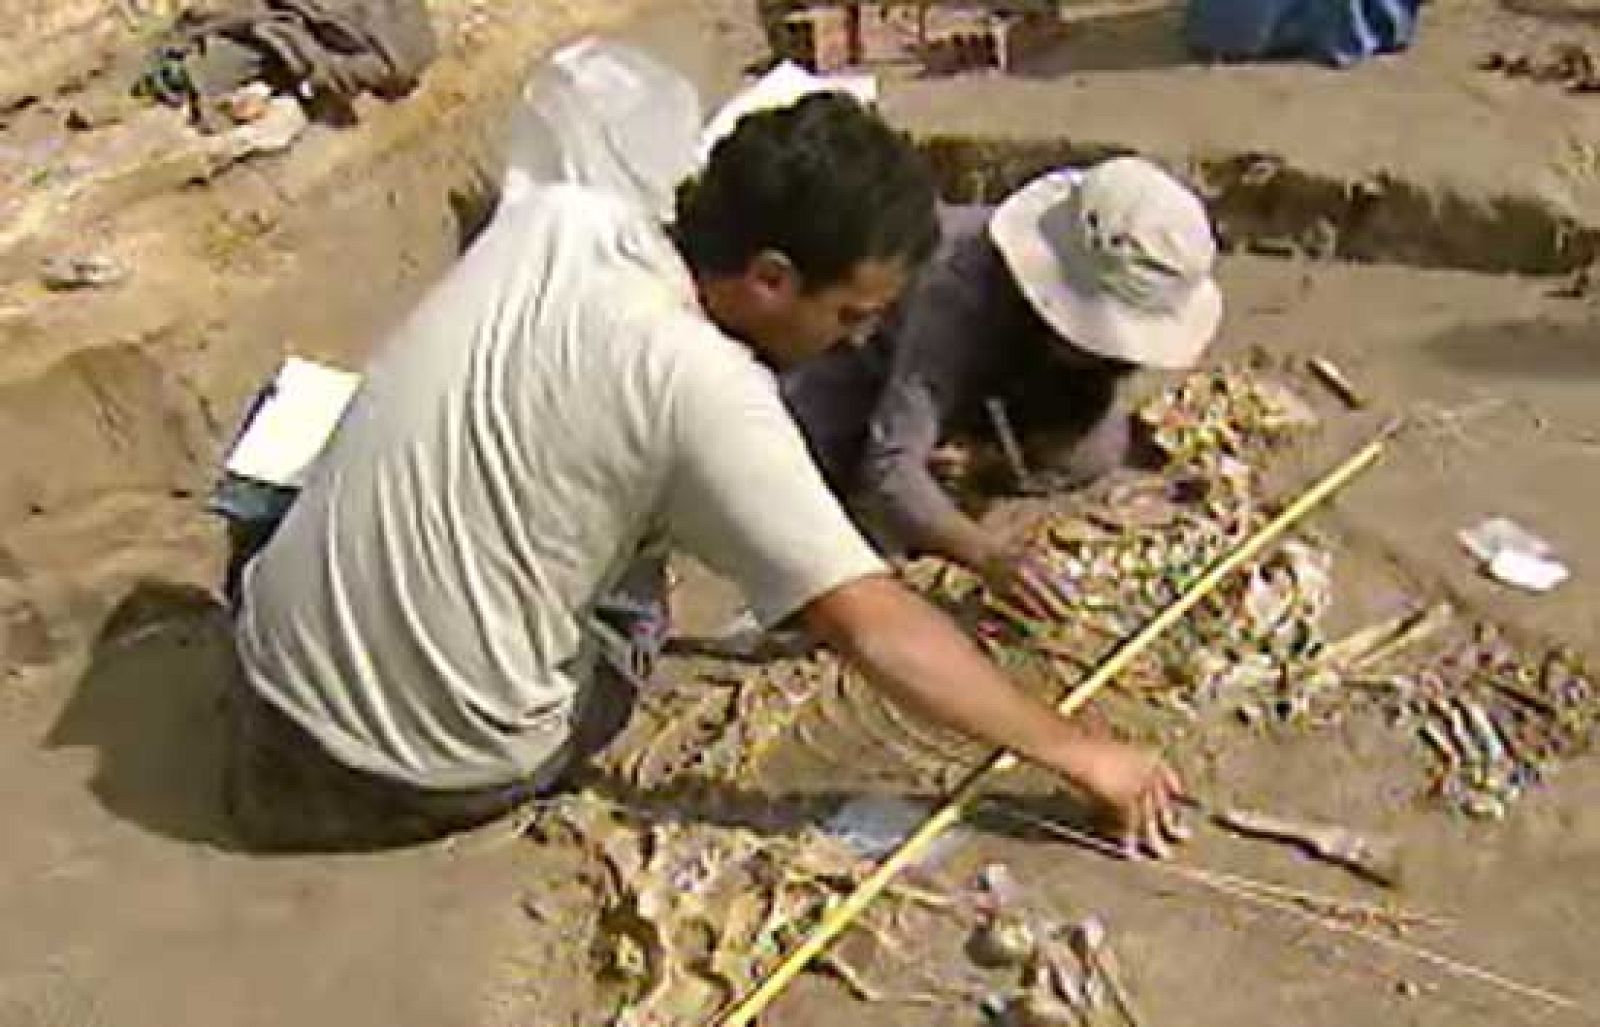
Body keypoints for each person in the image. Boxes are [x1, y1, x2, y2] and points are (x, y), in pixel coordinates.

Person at [226, 92, 1187, 854]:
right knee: (639, 590)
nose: (852, 340)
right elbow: (872, 626)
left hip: (265, 669)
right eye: (850, 315)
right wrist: (1083, 753)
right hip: (417, 771)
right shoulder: (712, 393)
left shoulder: (558, 216)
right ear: (770, 277)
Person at [782, 157, 1223, 619]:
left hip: (1002, 375)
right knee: (858, 526)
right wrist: (990, 558)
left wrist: (986, 467)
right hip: (859, 373)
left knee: (1092, 454)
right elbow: (890, 470)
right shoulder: (958, 291)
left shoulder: (1082, 353)